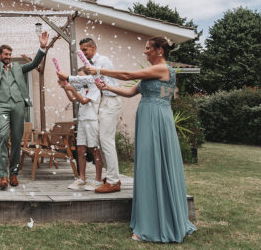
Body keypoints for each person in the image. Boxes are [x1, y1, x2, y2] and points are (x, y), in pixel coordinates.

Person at [86, 37, 196, 242]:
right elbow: (129, 92)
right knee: (147, 164)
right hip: (147, 118)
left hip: (158, 119)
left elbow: (128, 75)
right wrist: (107, 88)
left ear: (160, 51)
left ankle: (160, 223)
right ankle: (149, 218)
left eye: (148, 49)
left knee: (157, 163)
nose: (144, 52)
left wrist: (100, 71)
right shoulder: (150, 73)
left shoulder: (162, 69)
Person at [0, 22, 49, 190]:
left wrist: (42, 48)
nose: (8, 56)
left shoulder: (17, 67)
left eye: (10, 54)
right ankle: (3, 176)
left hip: (18, 105)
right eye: (5, 54)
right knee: (2, 136)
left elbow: (33, 65)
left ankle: (14, 174)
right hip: (0, 105)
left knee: (17, 140)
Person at [57, 38, 122, 193]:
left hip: (111, 100)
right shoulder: (92, 65)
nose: (82, 54)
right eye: (81, 51)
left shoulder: (102, 61)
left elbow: (90, 80)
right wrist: (67, 85)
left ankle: (113, 181)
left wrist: (68, 78)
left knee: (105, 141)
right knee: (103, 140)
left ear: (93, 48)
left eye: (84, 50)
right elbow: (85, 83)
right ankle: (111, 176)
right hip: (106, 100)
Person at [59, 69, 103, 191]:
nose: (78, 79)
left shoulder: (94, 87)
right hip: (82, 120)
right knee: (80, 149)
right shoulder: (83, 87)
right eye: (78, 77)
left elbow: (83, 101)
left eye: (81, 77)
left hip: (92, 120)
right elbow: (73, 99)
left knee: (94, 150)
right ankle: (82, 179)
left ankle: (98, 180)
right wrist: (64, 88)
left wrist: (72, 89)